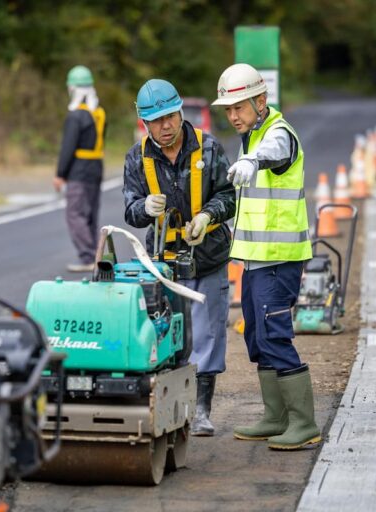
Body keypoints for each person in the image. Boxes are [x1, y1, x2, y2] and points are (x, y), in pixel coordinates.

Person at [211, 63, 321, 451]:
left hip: (279, 259)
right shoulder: (252, 136)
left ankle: (304, 423)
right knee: (257, 336)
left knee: (275, 334)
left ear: (261, 101)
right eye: (228, 109)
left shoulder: (277, 133)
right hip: (257, 260)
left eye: (239, 107)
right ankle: (276, 417)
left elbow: (275, 152)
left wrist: (252, 160)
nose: (233, 115)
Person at [123, 79, 235, 436]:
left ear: (180, 112)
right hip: (163, 262)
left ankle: (201, 410)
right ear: (145, 123)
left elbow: (229, 196)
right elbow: (130, 211)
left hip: (209, 256)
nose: (166, 126)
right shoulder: (137, 158)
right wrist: (144, 207)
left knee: (208, 334)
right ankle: (170, 408)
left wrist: (207, 217)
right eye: (156, 121)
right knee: (166, 334)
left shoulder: (209, 147)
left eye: (170, 116)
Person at [55, 65, 106, 272]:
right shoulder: (99, 113)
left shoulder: (76, 116)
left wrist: (60, 174)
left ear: (73, 89)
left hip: (79, 170)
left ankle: (88, 256)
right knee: (91, 214)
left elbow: (68, 147)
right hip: (96, 167)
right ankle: (95, 255)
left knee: (75, 213)